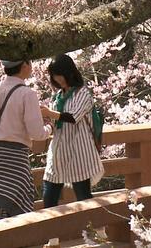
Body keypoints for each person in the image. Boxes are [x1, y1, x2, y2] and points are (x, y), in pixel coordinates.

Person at [0, 60, 53, 219]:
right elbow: (37, 133)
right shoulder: (27, 94)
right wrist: (50, 127)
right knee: (19, 203)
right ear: (24, 66)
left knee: (0, 203)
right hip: (16, 157)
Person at [40, 54, 104, 208]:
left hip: (79, 152)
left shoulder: (82, 93)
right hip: (58, 152)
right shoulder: (57, 97)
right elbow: (55, 123)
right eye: (54, 75)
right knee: (49, 198)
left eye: (59, 74)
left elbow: (73, 117)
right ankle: (52, 232)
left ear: (69, 72)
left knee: (84, 198)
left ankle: (92, 231)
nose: (57, 78)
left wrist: (49, 113)